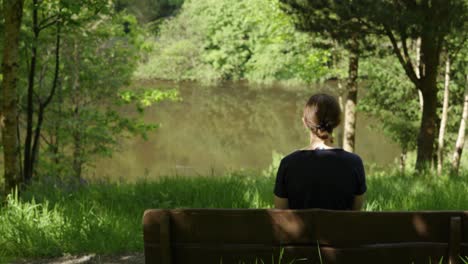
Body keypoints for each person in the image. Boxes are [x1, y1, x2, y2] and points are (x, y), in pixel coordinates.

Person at [273, 93, 366, 210]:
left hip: (303, 229)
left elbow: (281, 215)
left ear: (305, 122)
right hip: (339, 229)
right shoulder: (354, 163)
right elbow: (356, 212)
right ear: (337, 122)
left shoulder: (288, 164)